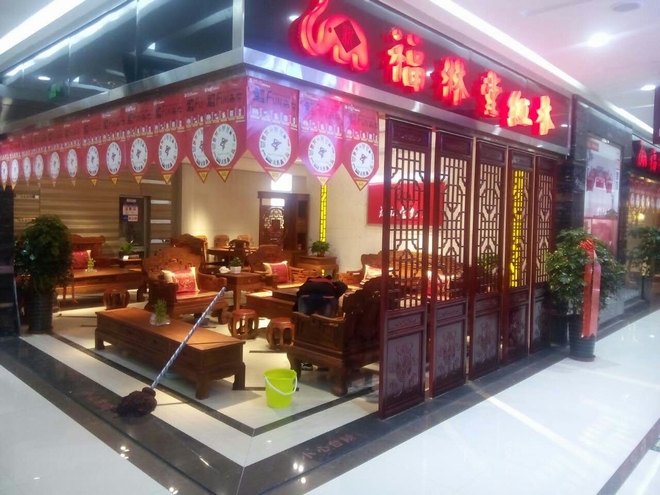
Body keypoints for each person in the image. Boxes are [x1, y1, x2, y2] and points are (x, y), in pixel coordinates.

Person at [292, 275, 348, 371]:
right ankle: (323, 363)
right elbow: (339, 294)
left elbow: (298, 296)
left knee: (304, 326)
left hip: (305, 296)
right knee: (325, 325)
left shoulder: (310, 281)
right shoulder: (334, 285)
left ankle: (306, 362)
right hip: (327, 297)